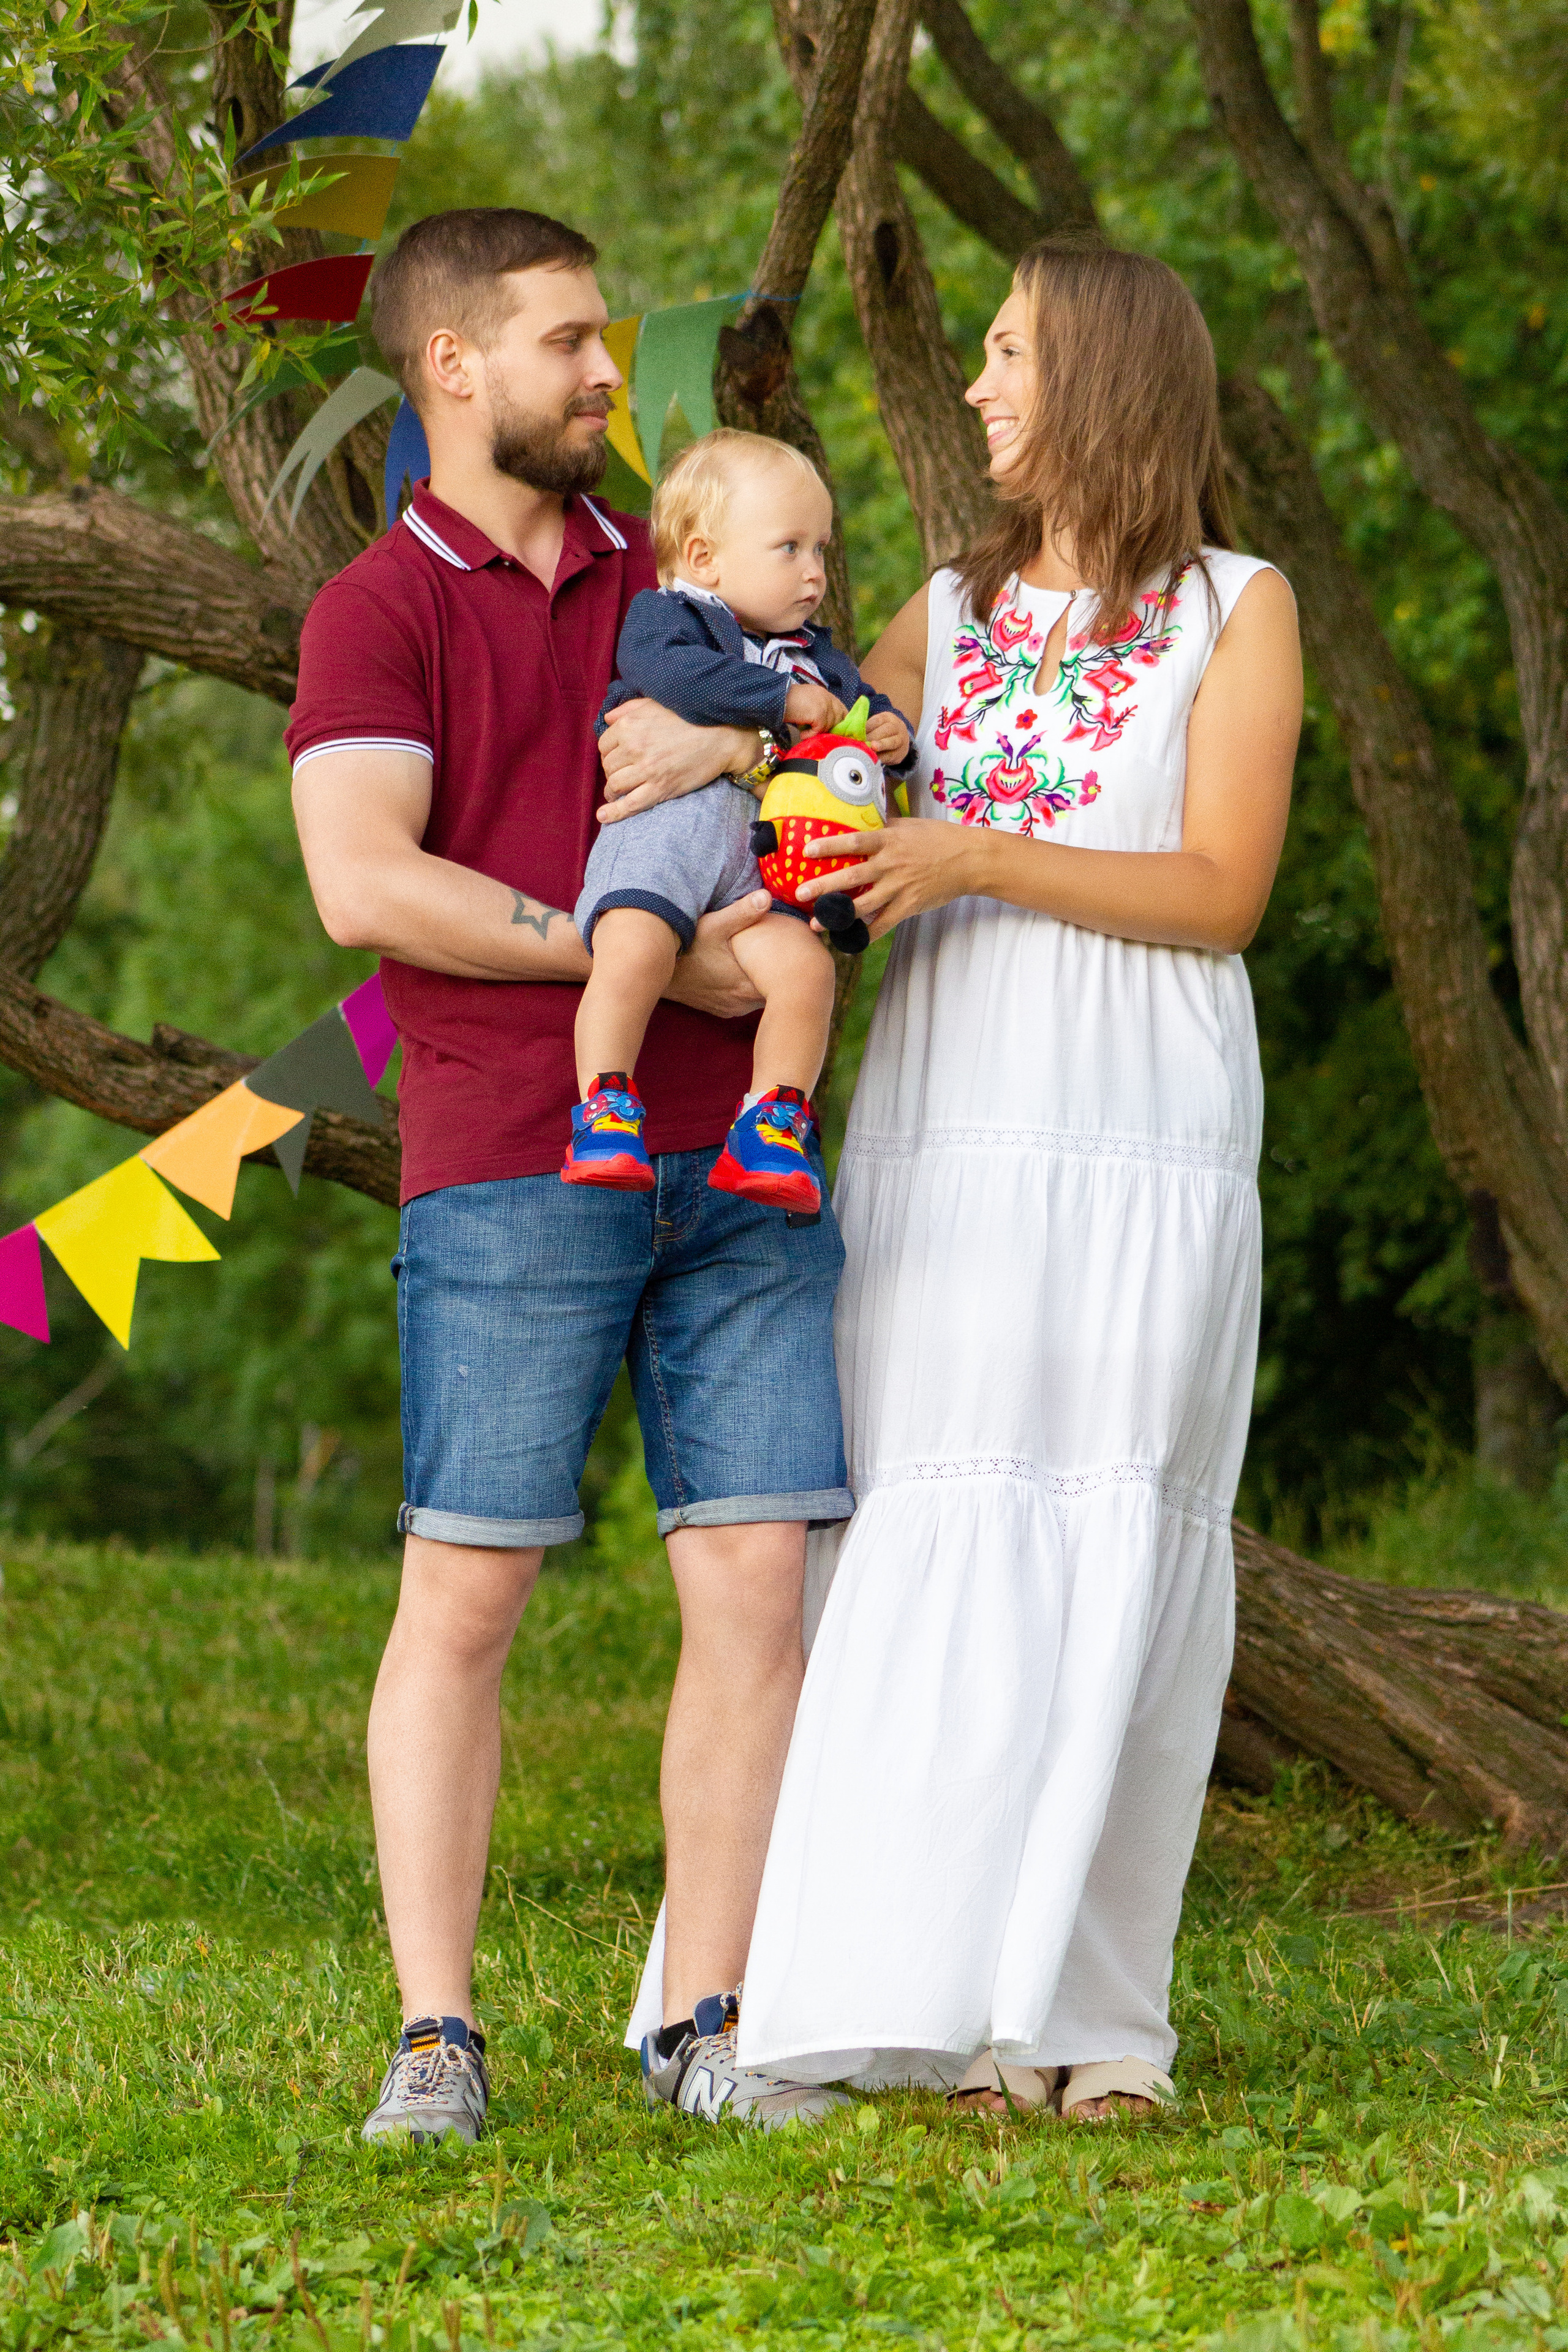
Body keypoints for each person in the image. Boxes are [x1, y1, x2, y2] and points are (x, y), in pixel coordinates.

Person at [709, 242, 1303, 2119]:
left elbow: (1221, 890)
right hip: (951, 1107)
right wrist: (734, 769)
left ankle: (1094, 2014)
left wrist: (972, 854)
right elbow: (819, 759)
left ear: (1104, 377)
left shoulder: (1238, 608)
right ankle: (935, 1990)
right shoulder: (946, 612)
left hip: (1143, 1118)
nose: (975, 388)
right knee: (938, 1513)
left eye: (1008, 353)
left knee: (1116, 1518)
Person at [285, 206, 855, 2139]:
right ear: (454, 366)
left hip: (746, 1161)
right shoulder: (380, 608)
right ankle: (435, 2037)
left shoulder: (679, 568)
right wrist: (633, 953)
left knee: (757, 1582)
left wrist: (750, 762)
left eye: (608, 337)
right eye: (568, 342)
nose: (612, 371)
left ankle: (708, 2025)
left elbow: (835, 748)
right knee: (469, 1590)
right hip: (514, 1156)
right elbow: (367, 882)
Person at [564, 430, 911, 1213]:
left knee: (807, 973)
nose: (815, 571)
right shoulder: (671, 617)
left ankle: (771, 1121)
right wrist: (780, 701)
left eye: (820, 549)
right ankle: (603, 1105)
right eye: (789, 547)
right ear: (704, 557)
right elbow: (673, 677)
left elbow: (856, 729)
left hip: (761, 870)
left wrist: (891, 739)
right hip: (666, 839)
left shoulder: (818, 656)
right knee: (632, 948)